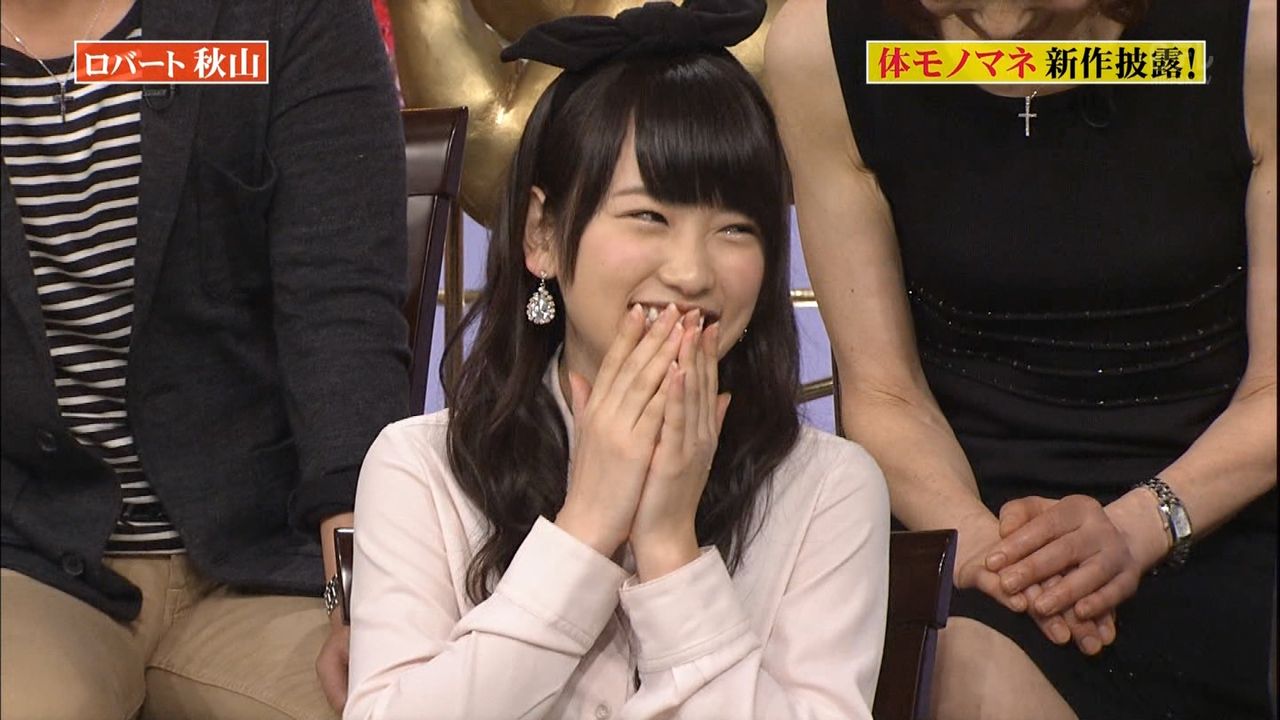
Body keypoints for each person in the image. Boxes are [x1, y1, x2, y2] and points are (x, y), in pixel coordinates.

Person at [343, 2, 891, 718]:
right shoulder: (420, 469)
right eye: (648, 217)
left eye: (735, 229)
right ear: (541, 234)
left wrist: (669, 554)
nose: (692, 273)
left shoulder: (830, 489)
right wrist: (587, 528)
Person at [765, 0, 1276, 718]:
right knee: (954, 669)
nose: (996, 20)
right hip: (966, 523)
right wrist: (987, 553)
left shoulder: (1254, 37)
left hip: (1210, 513)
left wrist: (1139, 528)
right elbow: (884, 391)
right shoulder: (829, 49)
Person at [0, 0, 409, 718]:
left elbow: (340, 311)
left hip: (271, 556)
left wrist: (361, 593)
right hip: (27, 555)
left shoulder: (283, 17)